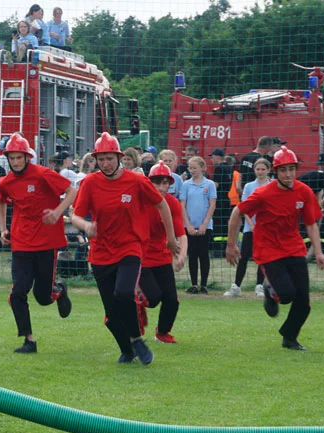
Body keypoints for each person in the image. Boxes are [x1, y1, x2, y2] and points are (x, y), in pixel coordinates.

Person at [71, 133, 177, 365]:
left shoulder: (136, 181)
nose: (106, 163)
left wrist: (170, 237)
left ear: (119, 157)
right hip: (100, 253)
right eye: (101, 159)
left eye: (110, 158)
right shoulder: (89, 183)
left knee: (123, 292)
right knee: (111, 316)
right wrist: (86, 225)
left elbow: (162, 204)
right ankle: (127, 350)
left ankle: (138, 339)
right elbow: (75, 215)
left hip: (130, 248)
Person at [226, 146, 324, 351]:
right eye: (283, 170)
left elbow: (310, 224)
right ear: (276, 171)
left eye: (292, 169)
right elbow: (237, 212)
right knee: (287, 294)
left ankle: (289, 337)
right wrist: (231, 245)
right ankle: (270, 290)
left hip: (294, 248)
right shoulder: (263, 193)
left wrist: (318, 252)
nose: (288, 174)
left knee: (304, 303)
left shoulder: (304, 191)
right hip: (269, 250)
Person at [0, 133, 74, 354]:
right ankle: (28, 340)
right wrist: (4, 229)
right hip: (21, 243)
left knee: (43, 297)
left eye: (19, 157)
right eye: (12, 158)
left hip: (46, 242)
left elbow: (71, 191)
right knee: (17, 292)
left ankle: (58, 291)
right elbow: (0, 202)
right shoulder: (6, 182)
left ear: (27, 157)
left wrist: (58, 212)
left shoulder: (42, 174)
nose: (16, 162)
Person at [140, 162, 187, 343]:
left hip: (162, 257)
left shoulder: (173, 203)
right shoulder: (141, 201)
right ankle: (136, 305)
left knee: (172, 300)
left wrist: (181, 255)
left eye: (165, 183)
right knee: (152, 298)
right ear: (149, 183)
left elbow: (181, 234)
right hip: (141, 258)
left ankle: (162, 332)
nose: (161, 187)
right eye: (157, 183)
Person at [224, 157, 270, 298]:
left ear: (268, 170)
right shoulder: (249, 186)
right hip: (250, 228)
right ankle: (236, 286)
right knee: (244, 256)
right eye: (258, 169)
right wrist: (251, 224)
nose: (260, 172)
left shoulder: (272, 185)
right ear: (254, 170)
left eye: (263, 169)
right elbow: (243, 207)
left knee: (263, 257)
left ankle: (259, 285)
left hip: (266, 228)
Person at [180, 156, 216, 294]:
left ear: (203, 168)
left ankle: (204, 285)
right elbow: (182, 205)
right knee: (192, 254)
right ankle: (194, 284)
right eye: (190, 168)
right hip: (190, 225)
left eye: (195, 168)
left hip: (205, 226)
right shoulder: (186, 185)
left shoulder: (210, 185)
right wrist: (188, 224)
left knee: (204, 254)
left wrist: (205, 224)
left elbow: (212, 204)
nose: (192, 170)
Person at [209, 148, 234, 255]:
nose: (211, 160)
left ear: (217, 157)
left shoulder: (219, 168)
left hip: (219, 200)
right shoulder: (229, 168)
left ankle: (217, 250)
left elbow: (216, 185)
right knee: (225, 225)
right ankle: (225, 249)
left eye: (212, 157)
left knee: (218, 225)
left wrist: (207, 185)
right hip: (227, 199)